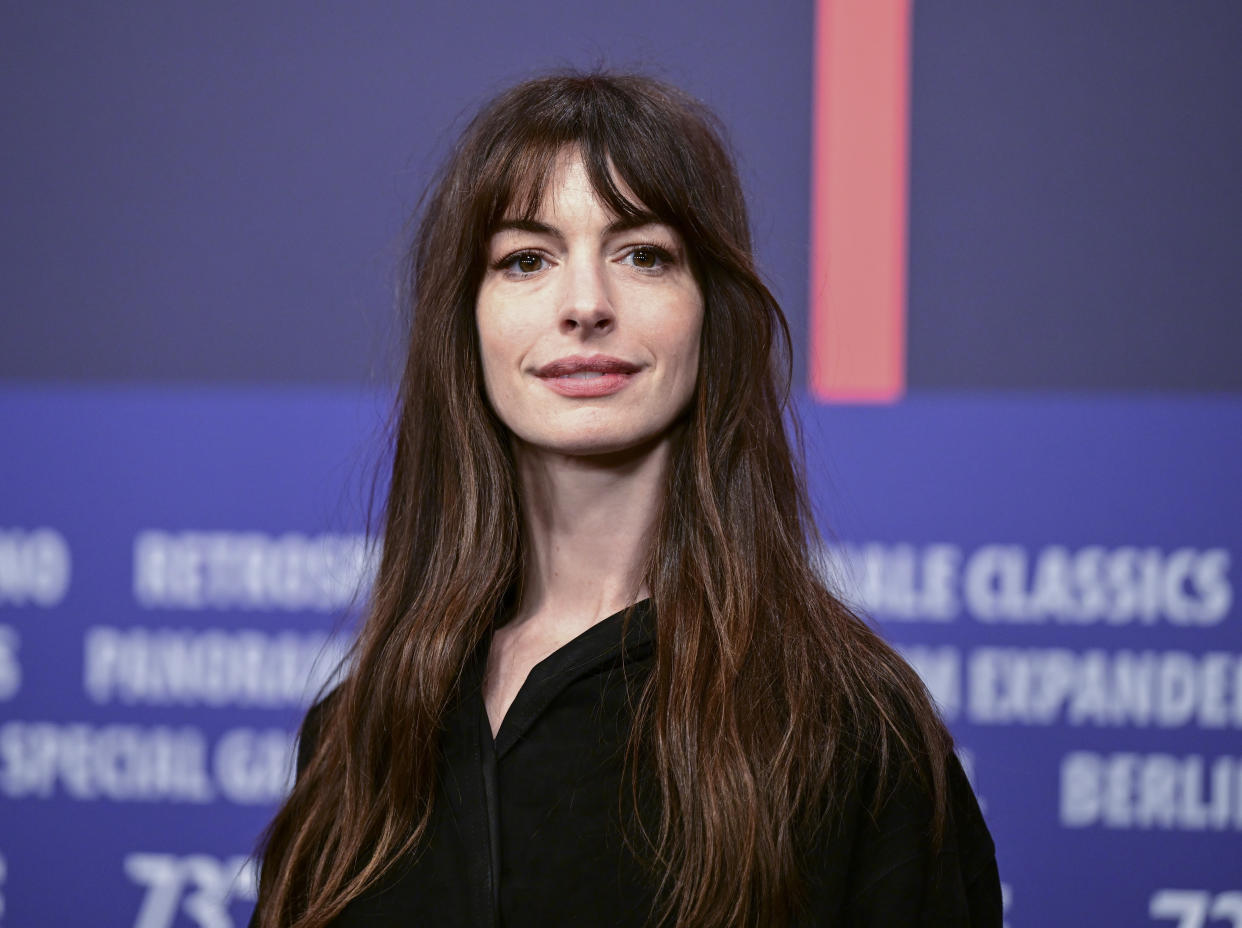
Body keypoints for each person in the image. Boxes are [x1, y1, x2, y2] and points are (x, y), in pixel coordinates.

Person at [249, 72, 1001, 928]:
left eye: (642, 254)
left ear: (712, 311)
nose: (585, 306)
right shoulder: (357, 735)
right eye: (526, 260)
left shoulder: (849, 728)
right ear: (467, 322)